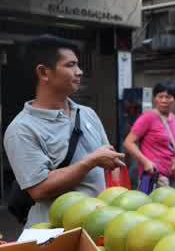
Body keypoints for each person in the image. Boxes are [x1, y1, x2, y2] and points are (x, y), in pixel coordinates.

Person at [1, 35, 126, 232]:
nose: (80, 72)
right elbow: (39, 189)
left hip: (99, 230)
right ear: (44, 73)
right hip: (55, 236)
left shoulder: (87, 114)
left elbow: (111, 164)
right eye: (71, 65)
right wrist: (90, 162)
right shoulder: (22, 129)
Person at [123, 82, 175, 192]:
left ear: (174, 100)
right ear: (155, 98)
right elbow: (128, 143)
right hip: (155, 176)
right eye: (160, 96)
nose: (164, 100)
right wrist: (146, 162)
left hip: (172, 174)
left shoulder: (172, 118)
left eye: (168, 97)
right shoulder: (148, 117)